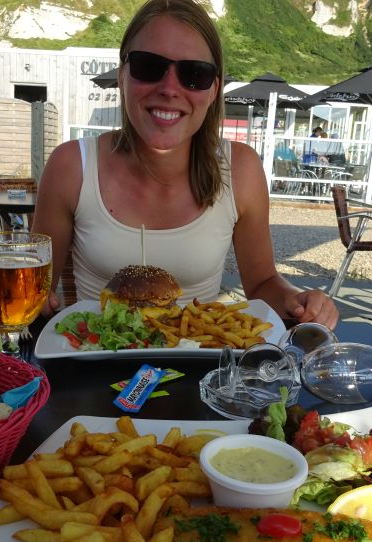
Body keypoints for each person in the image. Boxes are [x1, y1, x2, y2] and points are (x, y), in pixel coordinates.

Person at [32, 0, 337, 329]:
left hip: (200, 358)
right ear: (122, 75)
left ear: (213, 89)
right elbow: (36, 289)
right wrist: (29, 302)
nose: (169, 89)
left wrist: (297, 301)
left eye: (194, 74)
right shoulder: (71, 166)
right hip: (92, 353)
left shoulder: (241, 169)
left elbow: (262, 284)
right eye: (149, 66)